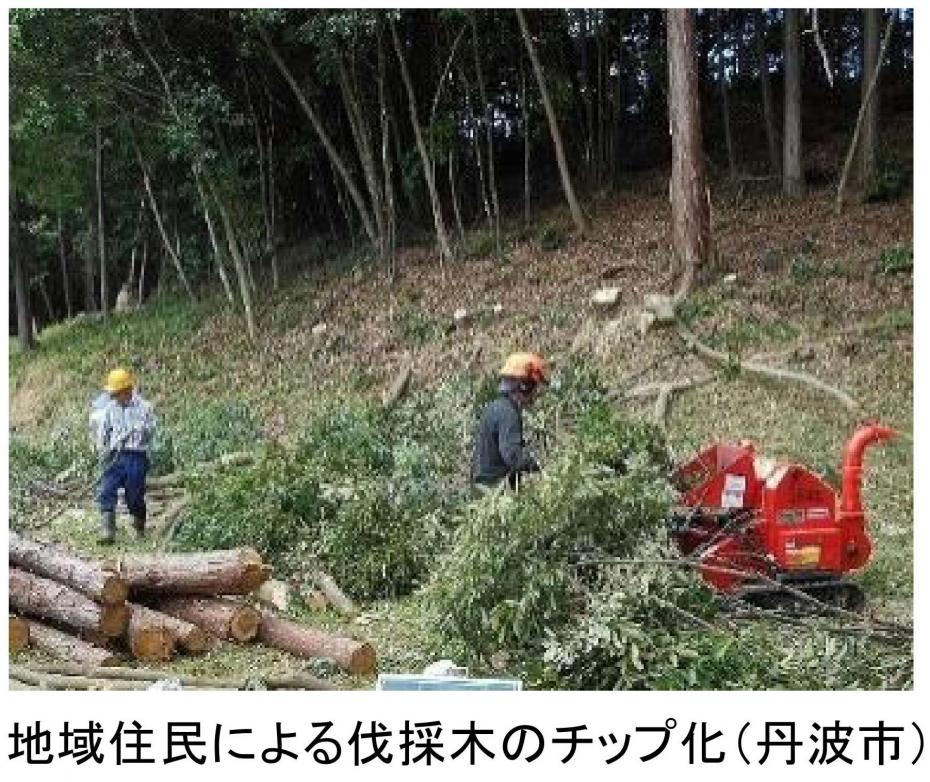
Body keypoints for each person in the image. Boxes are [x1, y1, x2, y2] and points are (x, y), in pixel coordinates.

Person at [91, 368, 156, 544]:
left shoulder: (145, 408)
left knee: (134, 494)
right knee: (107, 489)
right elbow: (103, 432)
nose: (113, 397)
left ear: (126, 390)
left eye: (116, 393)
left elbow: (151, 432)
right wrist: (101, 451)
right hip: (113, 455)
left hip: (136, 455)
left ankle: (139, 524)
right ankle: (107, 530)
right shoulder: (110, 409)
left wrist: (141, 428)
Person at [472, 352, 549, 490]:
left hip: (485, 489)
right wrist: (538, 465)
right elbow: (512, 454)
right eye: (535, 387)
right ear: (525, 386)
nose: (536, 394)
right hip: (496, 492)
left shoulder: (496, 407)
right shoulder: (508, 414)